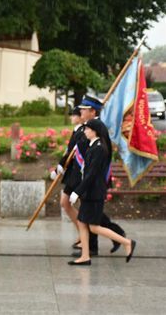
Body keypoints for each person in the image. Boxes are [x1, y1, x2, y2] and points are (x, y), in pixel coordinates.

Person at [68, 119, 136, 265]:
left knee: (94, 226)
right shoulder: (94, 146)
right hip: (90, 193)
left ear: (95, 131)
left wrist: (77, 192)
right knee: (82, 223)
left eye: (87, 129)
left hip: (94, 193)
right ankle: (85, 256)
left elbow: (91, 174)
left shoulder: (99, 148)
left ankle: (126, 242)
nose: (85, 131)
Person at [51, 107, 83, 244]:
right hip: (71, 172)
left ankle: (84, 235)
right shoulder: (77, 130)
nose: (71, 117)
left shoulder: (83, 131)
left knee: (68, 203)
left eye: (74, 115)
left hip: (77, 174)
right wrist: (59, 166)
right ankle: (82, 233)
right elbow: (68, 152)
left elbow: (75, 152)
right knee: (64, 202)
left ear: (81, 117)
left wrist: (62, 164)